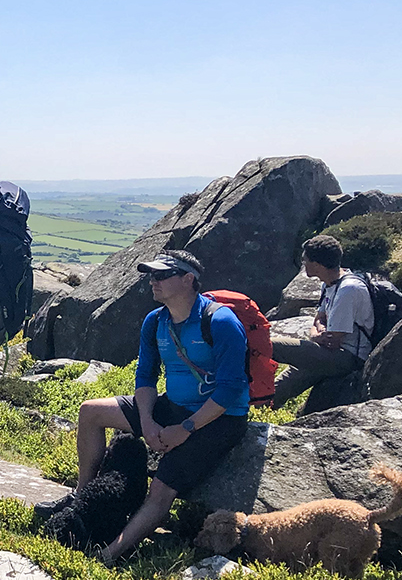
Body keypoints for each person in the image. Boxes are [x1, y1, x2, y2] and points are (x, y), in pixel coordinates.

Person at [69, 251, 250, 563]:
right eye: (151, 275)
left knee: (161, 489)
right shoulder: (156, 321)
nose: (153, 281)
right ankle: (81, 500)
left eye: (162, 275)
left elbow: (231, 389)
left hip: (219, 419)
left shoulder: (220, 322)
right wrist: (147, 420)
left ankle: (110, 554)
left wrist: (186, 429)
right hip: (173, 407)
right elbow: (146, 376)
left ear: (188, 280)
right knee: (91, 411)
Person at [271, 235, 375, 411]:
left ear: (317, 265)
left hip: (347, 357)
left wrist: (317, 336)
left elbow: (334, 341)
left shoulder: (348, 290)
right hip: (328, 353)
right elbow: (319, 318)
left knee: (271, 345)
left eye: (306, 260)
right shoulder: (329, 283)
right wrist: (316, 334)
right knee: (276, 390)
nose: (303, 263)